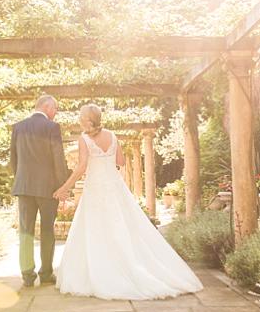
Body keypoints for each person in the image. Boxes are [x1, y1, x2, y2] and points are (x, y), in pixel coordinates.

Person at [53, 103, 203, 300]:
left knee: (96, 228)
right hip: (114, 187)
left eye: (81, 117)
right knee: (121, 227)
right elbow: (121, 162)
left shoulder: (84, 139)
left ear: (89, 120)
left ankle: (105, 272)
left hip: (96, 188)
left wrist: (65, 187)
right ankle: (127, 265)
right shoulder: (113, 136)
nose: (79, 120)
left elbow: (81, 167)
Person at [9, 95, 70, 288]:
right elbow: (58, 159)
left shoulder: (18, 127)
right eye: (56, 109)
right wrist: (62, 186)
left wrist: (21, 179)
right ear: (46, 106)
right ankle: (45, 273)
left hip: (24, 186)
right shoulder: (52, 128)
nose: (56, 113)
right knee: (47, 231)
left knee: (25, 231)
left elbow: (14, 159)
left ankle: (27, 275)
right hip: (48, 188)